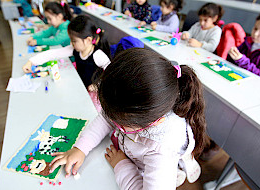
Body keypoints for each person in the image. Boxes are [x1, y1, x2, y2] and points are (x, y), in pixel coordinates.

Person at [48, 48, 209, 189]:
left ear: (148, 123)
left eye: (119, 122)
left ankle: (181, 167)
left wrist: (122, 165)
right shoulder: (132, 107)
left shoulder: (161, 152)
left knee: (164, 174)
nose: (110, 120)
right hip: (138, 154)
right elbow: (105, 119)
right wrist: (80, 148)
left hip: (150, 162)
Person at [23, 15, 110, 90]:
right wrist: (31, 62)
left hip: (93, 94)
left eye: (74, 41)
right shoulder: (75, 49)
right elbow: (53, 54)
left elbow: (111, 73)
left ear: (88, 40)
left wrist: (97, 84)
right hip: (81, 87)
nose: (71, 44)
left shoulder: (98, 55)